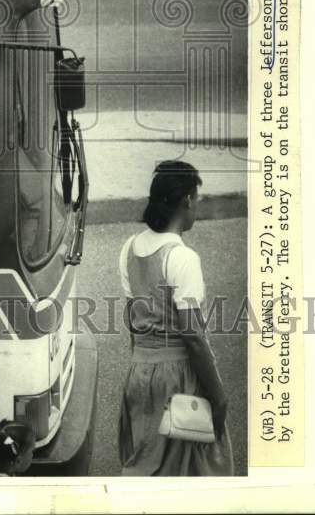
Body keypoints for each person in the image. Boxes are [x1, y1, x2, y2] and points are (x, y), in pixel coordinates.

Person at [118, 160, 233, 476]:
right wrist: (218, 397)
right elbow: (194, 338)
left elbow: (133, 320)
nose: (198, 205)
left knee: (145, 464)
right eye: (198, 198)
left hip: (139, 372)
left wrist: (145, 367)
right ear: (186, 201)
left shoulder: (130, 248)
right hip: (178, 378)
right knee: (189, 471)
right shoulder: (182, 258)